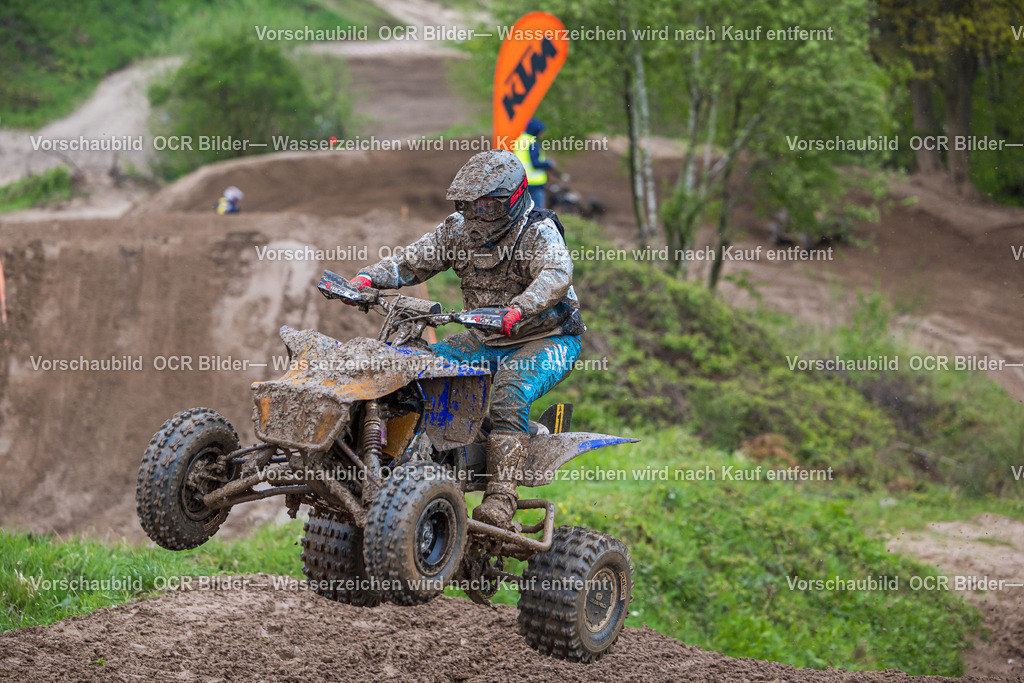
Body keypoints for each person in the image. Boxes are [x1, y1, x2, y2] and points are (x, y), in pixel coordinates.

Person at [348, 150, 584, 529]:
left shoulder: (537, 231)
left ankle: (501, 498)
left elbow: (556, 273)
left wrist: (520, 309)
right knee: (417, 368)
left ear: (514, 198)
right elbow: (414, 260)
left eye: (488, 205)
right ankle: (409, 462)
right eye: (468, 204)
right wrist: (367, 278)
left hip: (547, 338)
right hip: (486, 337)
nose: (477, 214)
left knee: (510, 391)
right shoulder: (458, 229)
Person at [513, 118, 556, 210]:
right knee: (537, 212)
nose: (542, 134)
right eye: (541, 131)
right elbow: (535, 163)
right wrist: (549, 164)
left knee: (523, 210)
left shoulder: (520, 140)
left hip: (521, 181)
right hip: (534, 183)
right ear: (536, 131)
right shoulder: (532, 143)